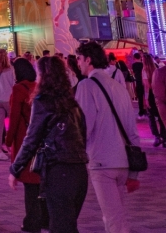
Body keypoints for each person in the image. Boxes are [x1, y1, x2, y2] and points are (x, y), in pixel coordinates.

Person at [10, 56, 88, 233]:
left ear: (44, 75)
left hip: (58, 169)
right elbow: (83, 134)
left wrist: (15, 169)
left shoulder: (42, 101)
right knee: (68, 225)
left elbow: (32, 138)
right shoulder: (72, 102)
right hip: (79, 170)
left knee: (60, 226)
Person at [75, 41, 141, 233]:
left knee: (113, 219)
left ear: (88, 60)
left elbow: (84, 126)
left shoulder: (86, 86)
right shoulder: (119, 87)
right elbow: (132, 130)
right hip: (123, 161)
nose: (78, 64)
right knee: (117, 215)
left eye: (79, 59)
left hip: (101, 160)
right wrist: (134, 172)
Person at [5, 58, 48, 233]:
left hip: (25, 138)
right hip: (41, 139)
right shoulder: (37, 86)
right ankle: (43, 218)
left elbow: (14, 117)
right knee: (39, 181)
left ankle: (32, 220)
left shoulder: (18, 89)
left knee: (30, 183)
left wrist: (7, 141)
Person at [141, 51, 166, 145]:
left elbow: (147, 86)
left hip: (151, 94)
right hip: (159, 92)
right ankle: (164, 136)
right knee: (161, 116)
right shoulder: (156, 67)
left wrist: (146, 99)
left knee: (151, 116)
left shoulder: (144, 70)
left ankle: (157, 136)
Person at [131, 52, 145, 116]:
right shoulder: (143, 64)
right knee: (146, 96)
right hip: (144, 81)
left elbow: (133, 73)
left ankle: (141, 110)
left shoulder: (133, 65)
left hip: (138, 82)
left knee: (140, 97)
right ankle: (147, 109)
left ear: (134, 58)